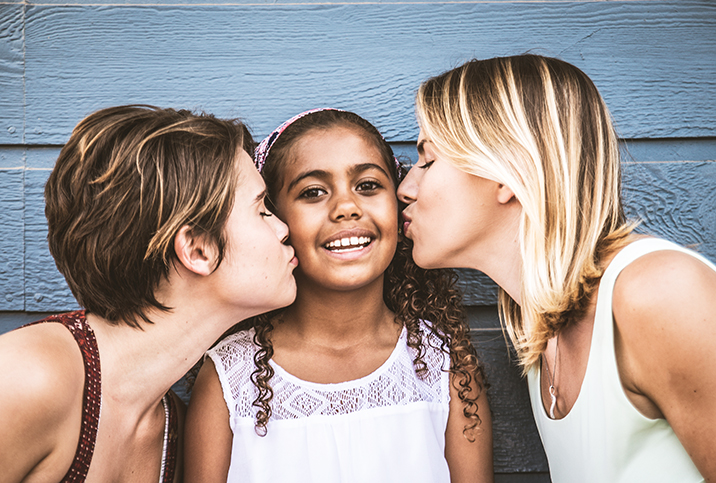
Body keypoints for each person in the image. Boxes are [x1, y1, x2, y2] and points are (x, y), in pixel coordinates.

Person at [396, 54, 716, 482]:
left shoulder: (658, 293)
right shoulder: (540, 332)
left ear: (506, 170)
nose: (406, 187)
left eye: (429, 160)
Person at [184, 108, 493, 483]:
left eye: (367, 186)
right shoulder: (230, 377)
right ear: (275, 219)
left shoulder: (444, 365)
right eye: (313, 192)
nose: (347, 208)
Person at [0, 105, 298, 483]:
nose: (284, 228)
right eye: (261, 211)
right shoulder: (30, 377)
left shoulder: (170, 427)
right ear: (198, 250)